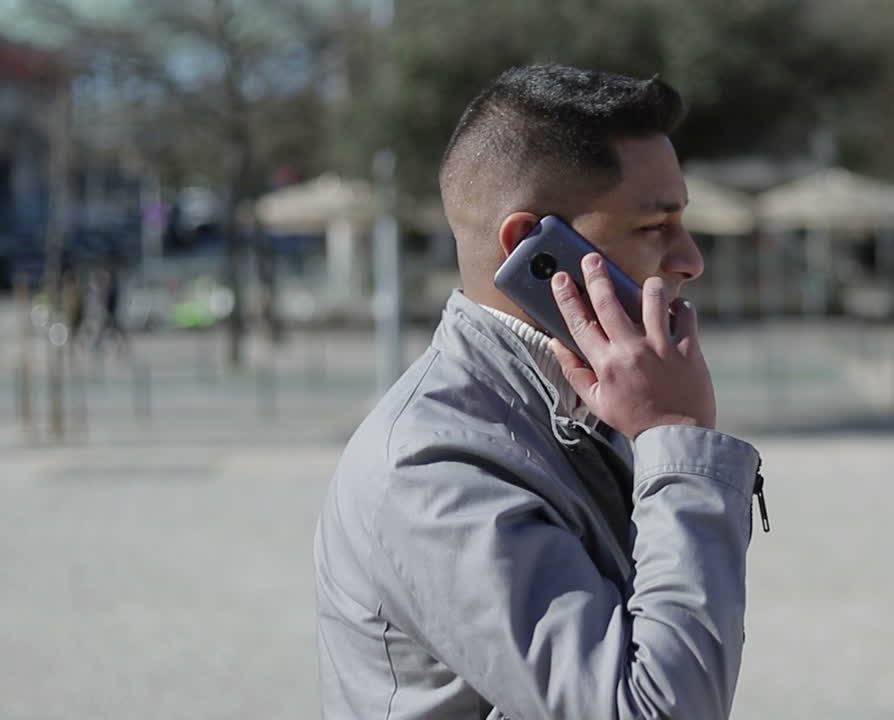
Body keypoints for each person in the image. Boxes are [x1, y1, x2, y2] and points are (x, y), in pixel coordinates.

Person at [314, 64, 769, 720]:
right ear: (532, 247)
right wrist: (680, 441)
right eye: (654, 227)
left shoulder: (595, 400)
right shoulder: (430, 465)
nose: (690, 258)